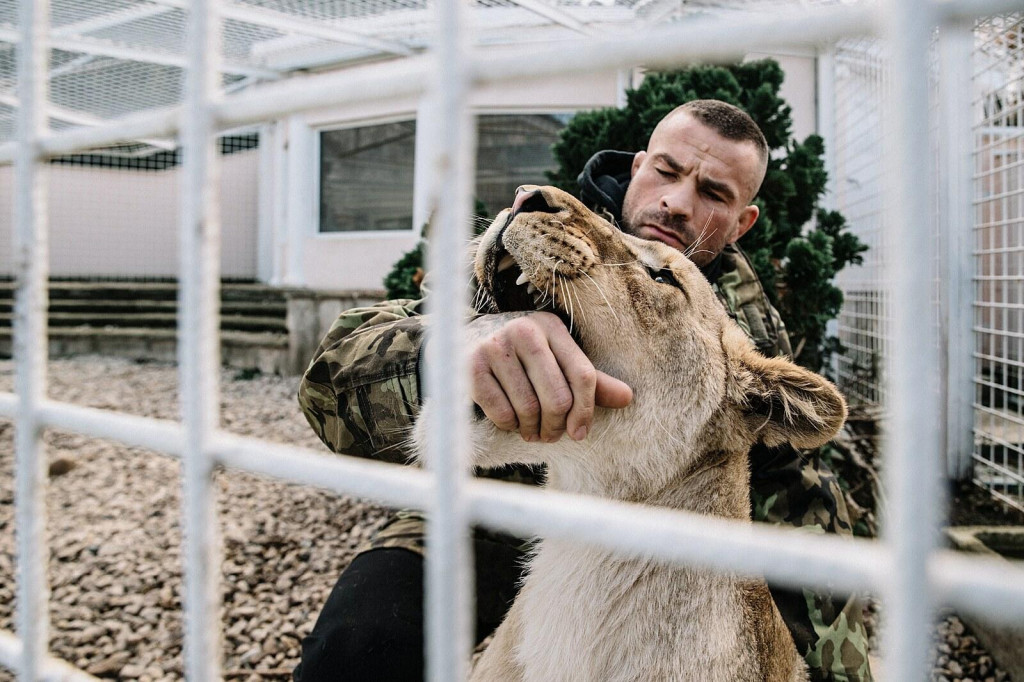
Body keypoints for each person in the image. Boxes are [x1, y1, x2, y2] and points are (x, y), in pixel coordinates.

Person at [294, 99, 873, 682]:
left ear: (742, 221)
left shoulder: (743, 328)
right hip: (492, 505)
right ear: (640, 166)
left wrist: (835, 663)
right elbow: (330, 373)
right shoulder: (543, 230)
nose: (676, 202)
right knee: (362, 641)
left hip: (643, 528)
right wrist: (446, 356)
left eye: (713, 193)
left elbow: (795, 495)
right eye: (666, 171)